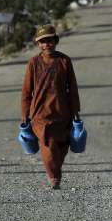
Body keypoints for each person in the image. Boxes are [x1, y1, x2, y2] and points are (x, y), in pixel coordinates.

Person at [20, 24, 81, 189]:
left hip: (63, 113)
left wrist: (75, 112)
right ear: (38, 45)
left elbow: (72, 88)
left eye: (50, 40)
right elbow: (27, 90)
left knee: (61, 146)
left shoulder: (64, 61)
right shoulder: (34, 63)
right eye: (43, 41)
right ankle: (54, 177)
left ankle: (55, 171)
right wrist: (25, 114)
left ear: (56, 41)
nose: (47, 44)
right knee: (48, 145)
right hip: (41, 115)